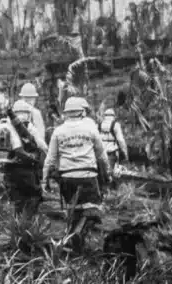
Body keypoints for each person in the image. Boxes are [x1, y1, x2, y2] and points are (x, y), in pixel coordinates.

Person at [43, 96, 110, 251]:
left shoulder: (58, 131)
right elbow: (102, 155)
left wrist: (44, 179)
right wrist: (108, 172)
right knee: (93, 210)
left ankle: (74, 243)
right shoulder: (90, 129)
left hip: (67, 178)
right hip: (87, 176)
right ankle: (77, 234)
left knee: (74, 210)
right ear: (82, 112)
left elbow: (50, 159)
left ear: (66, 113)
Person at [0, 100, 48, 217]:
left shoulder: (1, 125)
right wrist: (36, 160)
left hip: (8, 169)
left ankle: (17, 226)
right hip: (24, 169)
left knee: (17, 199)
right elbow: (33, 147)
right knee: (33, 196)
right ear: (27, 113)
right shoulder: (20, 127)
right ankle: (26, 225)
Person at [98, 108, 128, 179]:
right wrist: (125, 153)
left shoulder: (99, 124)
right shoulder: (115, 125)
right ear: (113, 116)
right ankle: (111, 188)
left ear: (104, 116)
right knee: (111, 173)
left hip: (100, 153)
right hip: (111, 152)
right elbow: (121, 140)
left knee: (101, 173)